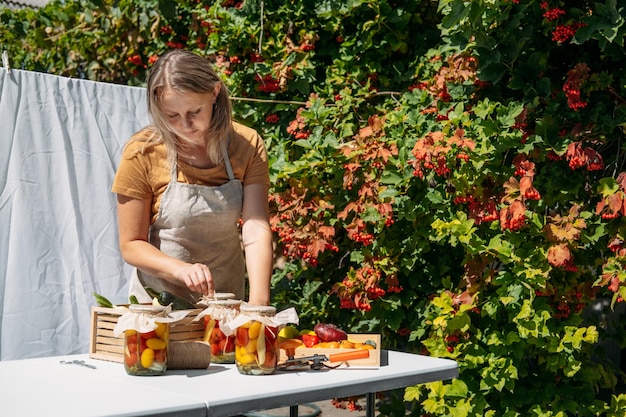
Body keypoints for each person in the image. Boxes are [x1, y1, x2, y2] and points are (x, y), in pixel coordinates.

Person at [112, 49, 272, 306]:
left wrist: (258, 307)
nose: (185, 125)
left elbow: (255, 227)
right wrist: (180, 269)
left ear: (214, 93)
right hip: (158, 312)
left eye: (194, 111)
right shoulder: (142, 151)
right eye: (172, 116)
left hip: (226, 307)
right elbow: (132, 243)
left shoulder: (247, 145)